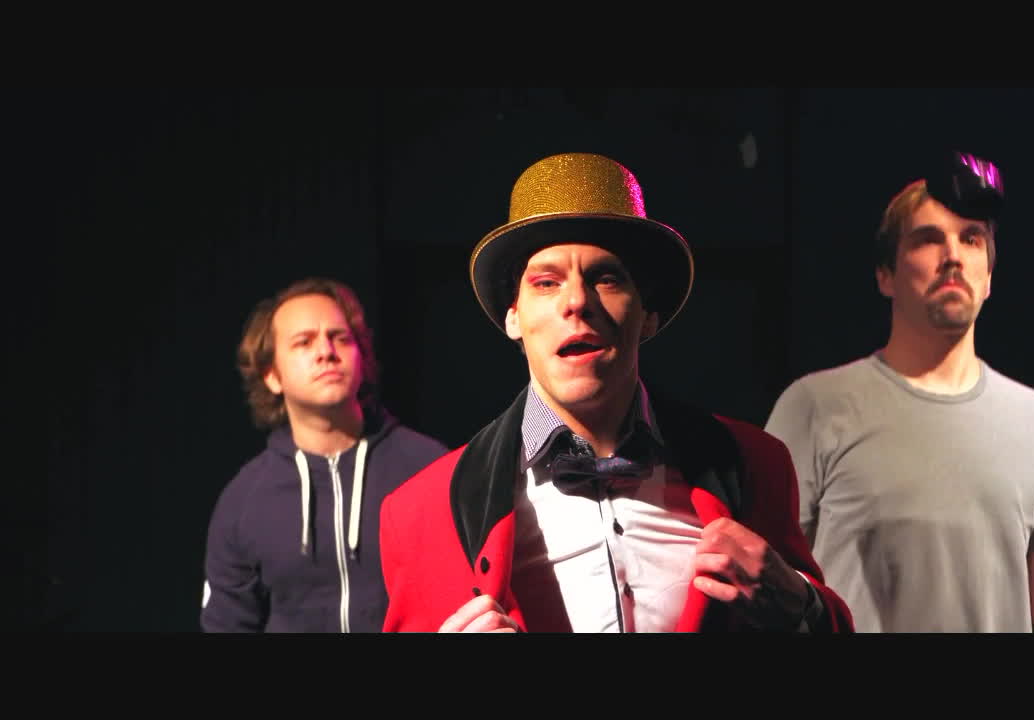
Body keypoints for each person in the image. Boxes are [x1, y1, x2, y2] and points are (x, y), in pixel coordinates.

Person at [379, 152, 854, 633]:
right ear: (513, 317)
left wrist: (803, 607)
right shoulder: (420, 510)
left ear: (648, 315)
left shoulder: (755, 463)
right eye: (546, 282)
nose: (577, 301)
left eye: (606, 278)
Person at [764, 152, 1034, 633]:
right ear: (885, 275)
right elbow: (766, 579)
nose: (953, 256)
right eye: (929, 239)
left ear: (989, 276)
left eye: (971, 239)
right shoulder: (814, 406)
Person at [201, 277, 449, 632]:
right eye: (304, 342)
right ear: (271, 375)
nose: (326, 352)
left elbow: (464, 599)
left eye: (340, 338)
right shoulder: (243, 501)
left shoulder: (429, 468)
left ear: (362, 357)